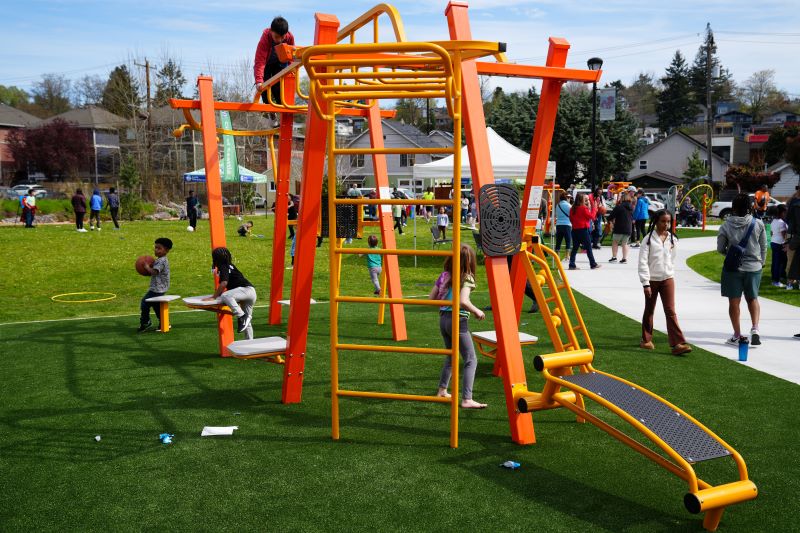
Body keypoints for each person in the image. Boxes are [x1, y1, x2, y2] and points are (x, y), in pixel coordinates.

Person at [430, 244, 487, 409]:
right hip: (458, 321)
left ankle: (442, 390)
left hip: (443, 319)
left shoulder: (444, 275)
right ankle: (467, 398)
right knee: (471, 359)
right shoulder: (467, 277)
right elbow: (463, 301)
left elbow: (432, 297)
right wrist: (477, 311)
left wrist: (446, 300)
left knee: (451, 356)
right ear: (470, 261)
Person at [638, 211, 692, 355]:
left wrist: (669, 272)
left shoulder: (673, 239)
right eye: (663, 221)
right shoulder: (648, 240)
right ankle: (646, 339)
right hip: (652, 280)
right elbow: (642, 262)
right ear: (656, 221)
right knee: (650, 309)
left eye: (668, 222)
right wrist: (645, 283)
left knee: (670, 310)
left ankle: (678, 344)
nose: (666, 224)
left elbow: (672, 259)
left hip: (668, 278)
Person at [718, 193, 767, 346]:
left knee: (734, 302)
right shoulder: (758, 223)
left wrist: (732, 254)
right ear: (750, 207)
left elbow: (720, 248)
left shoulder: (725, 225)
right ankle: (755, 328)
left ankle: (737, 335)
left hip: (733, 268)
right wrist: (761, 262)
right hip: (754, 267)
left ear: (733, 208)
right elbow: (764, 246)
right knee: (752, 298)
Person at [204, 247, 257, 340]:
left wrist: (214, 297)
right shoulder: (230, 265)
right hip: (251, 292)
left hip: (244, 291)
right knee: (247, 323)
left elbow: (224, 283)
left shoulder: (223, 266)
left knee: (226, 295)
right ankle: (250, 343)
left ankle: (241, 316)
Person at [253, 16, 295, 107]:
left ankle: (283, 113)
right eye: (276, 37)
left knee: (279, 90)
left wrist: (292, 69)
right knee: (264, 87)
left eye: (282, 37)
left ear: (286, 34)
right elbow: (260, 61)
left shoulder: (289, 38)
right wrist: (259, 81)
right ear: (271, 31)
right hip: (266, 64)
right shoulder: (265, 38)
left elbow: (291, 56)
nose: (279, 40)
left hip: (280, 63)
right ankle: (269, 113)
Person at [139, 237, 173, 332]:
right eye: (155, 247)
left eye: (159, 248)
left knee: (144, 303)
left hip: (158, 289)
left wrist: (146, 267)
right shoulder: (160, 259)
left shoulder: (161, 261)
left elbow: (154, 272)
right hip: (159, 288)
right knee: (157, 306)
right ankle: (165, 323)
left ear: (166, 250)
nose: (156, 250)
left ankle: (145, 322)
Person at [568, 193, 600, 270]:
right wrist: (594, 208)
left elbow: (571, 219)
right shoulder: (583, 208)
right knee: (588, 247)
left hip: (575, 230)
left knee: (575, 248)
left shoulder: (572, 209)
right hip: (583, 230)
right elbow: (592, 217)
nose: (586, 200)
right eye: (584, 199)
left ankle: (571, 264)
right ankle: (593, 264)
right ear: (581, 200)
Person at [608, 191, 633, 263]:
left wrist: (610, 220)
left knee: (615, 242)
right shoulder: (631, 207)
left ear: (622, 199)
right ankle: (624, 258)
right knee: (625, 244)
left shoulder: (619, 207)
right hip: (628, 227)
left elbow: (611, 216)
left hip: (619, 227)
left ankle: (614, 257)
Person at [769, 205, 788, 287]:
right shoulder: (781, 223)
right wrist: (787, 243)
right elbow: (784, 235)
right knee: (779, 263)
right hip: (780, 244)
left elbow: (771, 233)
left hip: (773, 242)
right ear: (781, 212)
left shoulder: (774, 221)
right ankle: (776, 281)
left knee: (775, 262)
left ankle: (776, 278)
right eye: (785, 212)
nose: (785, 214)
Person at [786, 187, 800, 290]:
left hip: (795, 236)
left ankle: (790, 283)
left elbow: (789, 221)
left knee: (792, 261)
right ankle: (791, 283)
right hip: (795, 236)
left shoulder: (793, 203)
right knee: (792, 261)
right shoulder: (794, 204)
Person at [553, 191, 572, 258]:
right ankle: (567, 255)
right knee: (568, 239)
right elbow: (571, 215)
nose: (569, 199)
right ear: (566, 198)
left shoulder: (557, 205)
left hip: (559, 224)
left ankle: (557, 254)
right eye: (569, 197)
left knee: (558, 240)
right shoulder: (569, 206)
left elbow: (556, 214)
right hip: (567, 224)